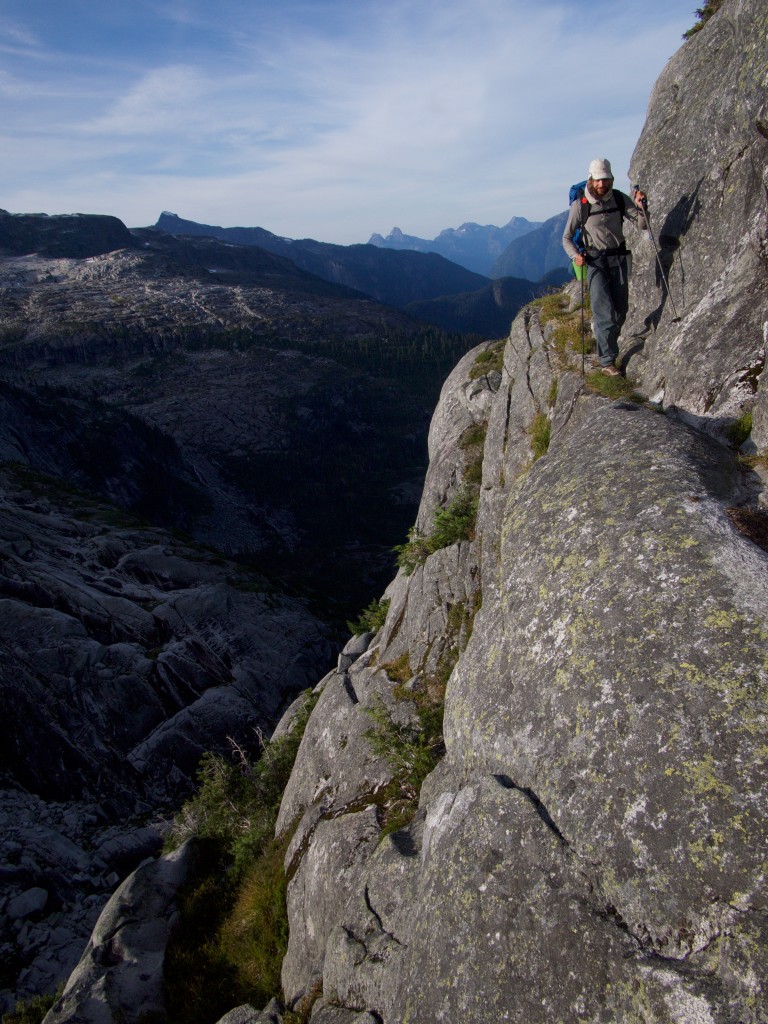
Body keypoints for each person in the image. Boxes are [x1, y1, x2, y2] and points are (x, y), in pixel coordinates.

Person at [562, 158, 647, 376]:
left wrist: (641, 206)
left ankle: (605, 341)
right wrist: (575, 256)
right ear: (591, 179)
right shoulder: (581, 206)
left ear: (610, 179)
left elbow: (642, 224)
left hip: (618, 259)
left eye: (605, 180)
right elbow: (567, 238)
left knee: (621, 311)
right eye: (598, 181)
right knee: (605, 314)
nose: (602, 185)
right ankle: (607, 361)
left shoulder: (618, 198)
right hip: (595, 263)